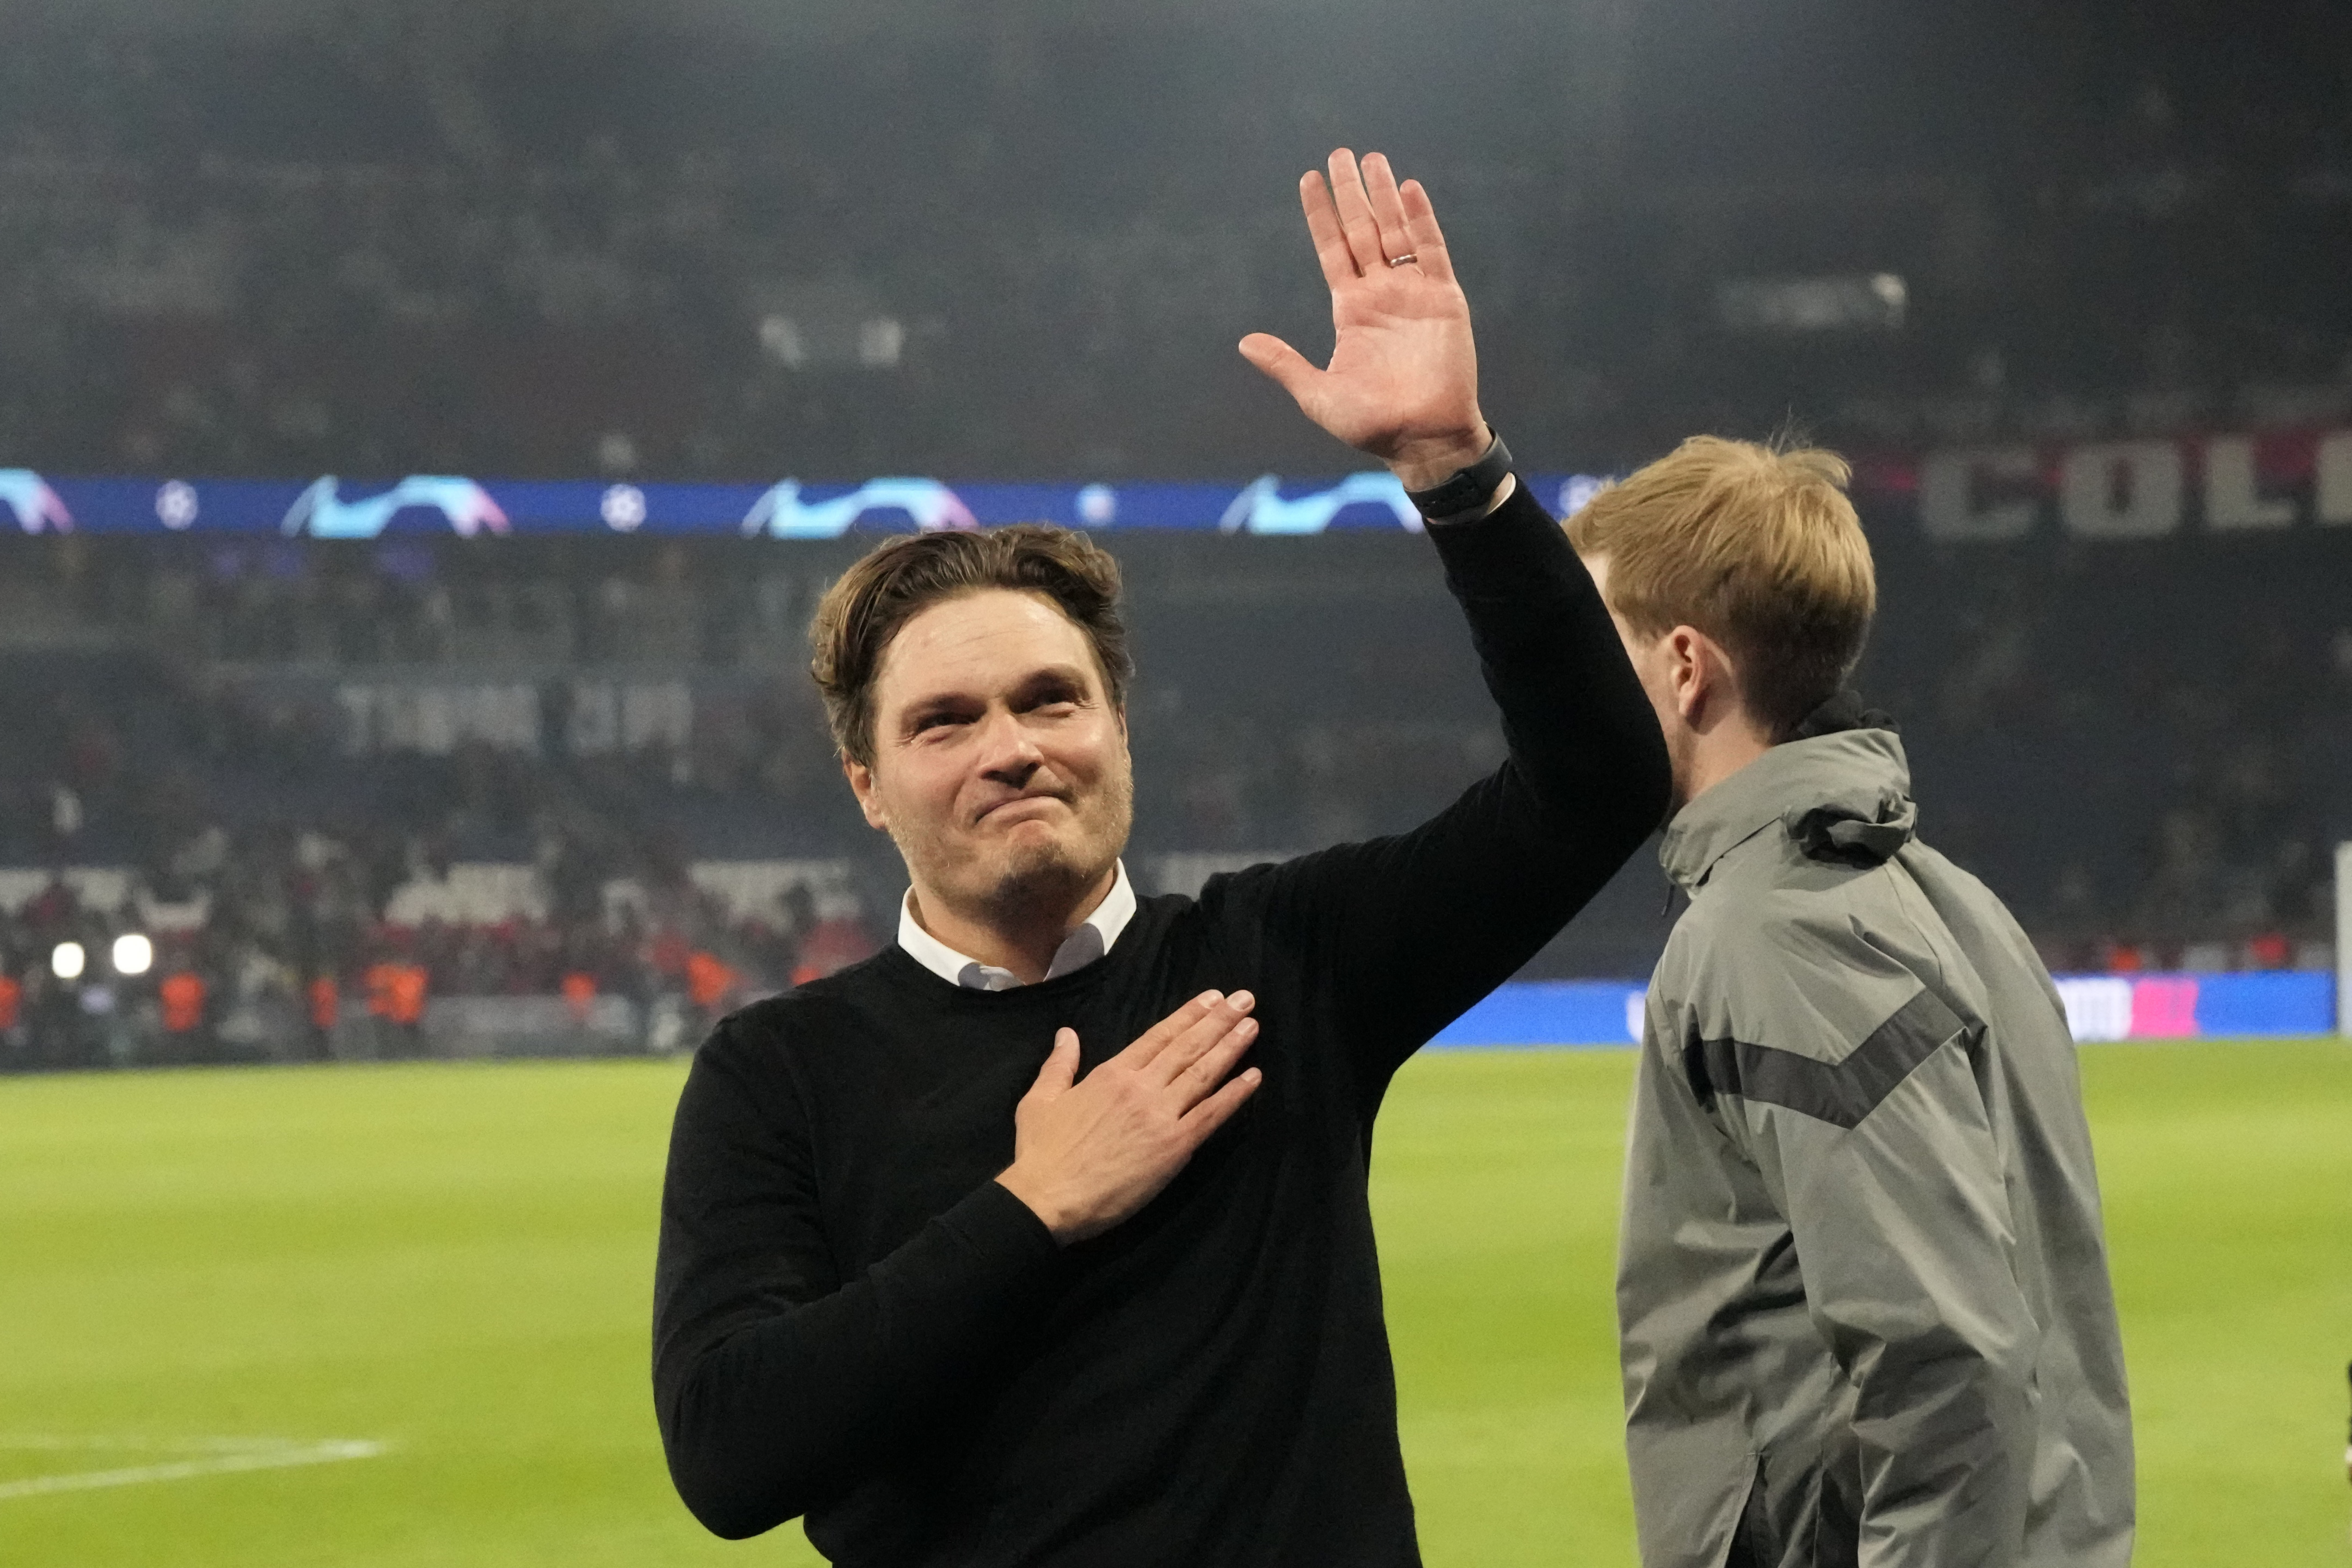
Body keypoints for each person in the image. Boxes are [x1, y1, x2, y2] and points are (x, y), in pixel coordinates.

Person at [651, 149, 1670, 1566]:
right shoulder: (780, 1078)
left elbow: (1602, 785)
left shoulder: (1286, 965)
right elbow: (731, 1453)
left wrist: (1456, 472)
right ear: (867, 785)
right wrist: (1033, 1208)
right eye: (946, 722)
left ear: (1119, 727)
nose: (1010, 747)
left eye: (1049, 700)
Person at [1573, 438, 2134, 1567]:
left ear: (1686, 668)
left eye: (1595, 652)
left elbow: (1943, 1363)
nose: (1567, 693)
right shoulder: (1944, 898)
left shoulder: (1776, 934)